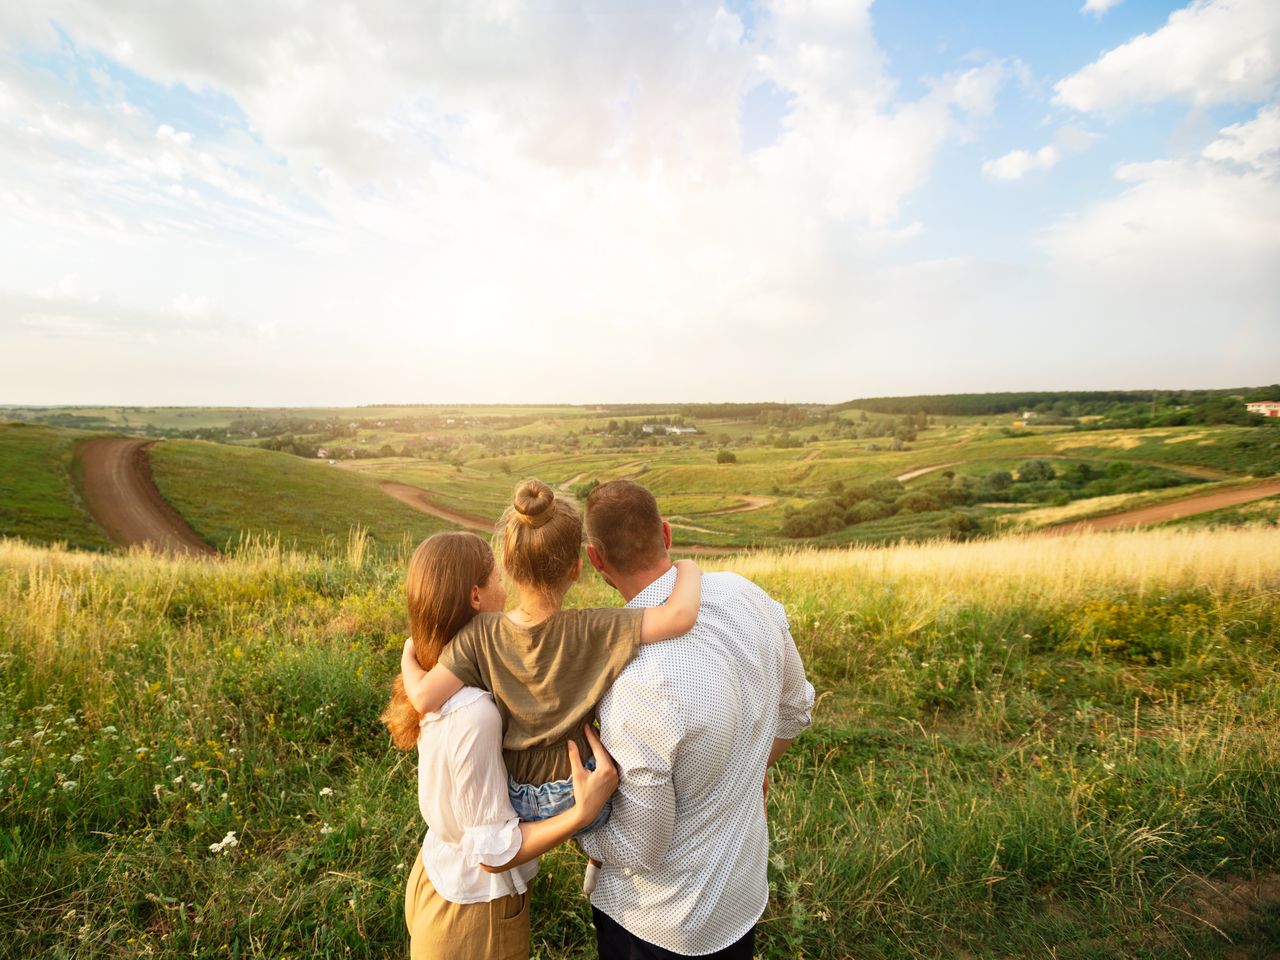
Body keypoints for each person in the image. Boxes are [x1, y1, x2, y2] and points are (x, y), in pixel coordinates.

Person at [398, 479, 702, 864]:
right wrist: (687, 566)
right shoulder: (594, 627)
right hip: (578, 790)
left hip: (516, 799)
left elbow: (423, 697)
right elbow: (680, 616)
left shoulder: (480, 634)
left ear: (507, 566)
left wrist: (409, 653)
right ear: (577, 568)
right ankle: (600, 863)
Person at [578, 479, 816, 960]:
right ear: (665, 534)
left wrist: (580, 826)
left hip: (658, 922)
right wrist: (747, 771)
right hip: (741, 894)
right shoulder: (748, 595)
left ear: (595, 559)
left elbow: (640, 848)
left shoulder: (633, 680)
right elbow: (796, 708)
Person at [381, 531, 620, 960]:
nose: (505, 587)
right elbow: (493, 852)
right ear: (476, 596)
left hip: (437, 874)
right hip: (475, 910)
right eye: (496, 578)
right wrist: (582, 812)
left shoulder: (435, 672)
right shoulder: (475, 712)